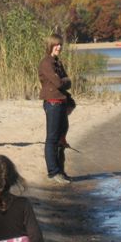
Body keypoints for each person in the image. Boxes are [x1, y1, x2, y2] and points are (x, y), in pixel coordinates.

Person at [38, 33, 75, 184]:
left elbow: (66, 81)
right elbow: (59, 83)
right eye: (56, 44)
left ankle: (60, 170)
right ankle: (53, 172)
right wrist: (64, 81)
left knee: (61, 138)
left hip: (61, 102)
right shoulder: (46, 63)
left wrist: (64, 80)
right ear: (50, 45)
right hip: (52, 103)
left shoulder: (56, 62)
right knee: (52, 138)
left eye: (60, 45)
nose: (59, 47)